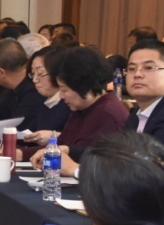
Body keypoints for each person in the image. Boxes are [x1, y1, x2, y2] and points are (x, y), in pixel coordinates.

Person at [26, 46, 127, 174]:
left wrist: (68, 152)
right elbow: (61, 144)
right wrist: (19, 153)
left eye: (64, 90)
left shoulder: (108, 114)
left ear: (85, 87)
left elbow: (100, 164)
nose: (61, 96)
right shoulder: (81, 109)